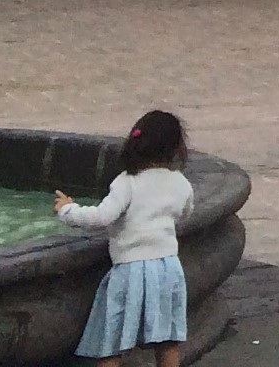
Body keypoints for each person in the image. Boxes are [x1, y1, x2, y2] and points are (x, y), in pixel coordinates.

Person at [54, 110, 194, 367]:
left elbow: (101, 217)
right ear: (176, 148)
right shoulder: (180, 183)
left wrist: (67, 210)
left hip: (130, 270)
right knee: (169, 338)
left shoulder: (126, 182)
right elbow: (186, 213)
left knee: (111, 341)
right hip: (168, 268)